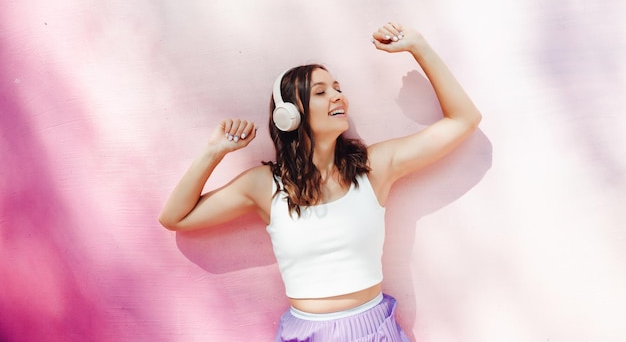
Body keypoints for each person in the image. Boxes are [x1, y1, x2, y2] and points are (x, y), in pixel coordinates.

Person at [159, 22, 482, 341]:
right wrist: (214, 152)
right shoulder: (264, 185)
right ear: (290, 113)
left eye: (338, 88)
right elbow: (175, 217)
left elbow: (464, 119)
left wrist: (419, 47)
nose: (338, 96)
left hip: (373, 329)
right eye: (321, 91)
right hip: (306, 333)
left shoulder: (374, 167)